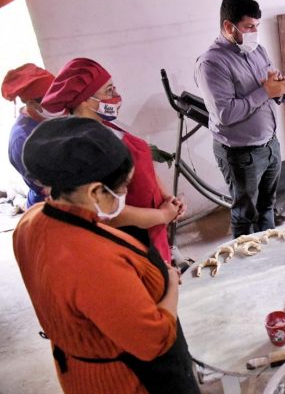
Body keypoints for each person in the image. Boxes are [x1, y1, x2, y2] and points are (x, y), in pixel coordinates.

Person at [14, 116, 202, 394]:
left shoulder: (32, 221)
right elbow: (155, 340)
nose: (125, 194)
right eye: (123, 187)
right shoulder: (88, 263)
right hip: (128, 384)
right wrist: (171, 283)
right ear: (94, 191)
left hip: (78, 368)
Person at [40, 58, 184, 263]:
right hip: (134, 236)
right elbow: (109, 213)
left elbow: (143, 165)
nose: (116, 96)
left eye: (114, 88)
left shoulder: (107, 126)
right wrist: (162, 216)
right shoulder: (83, 147)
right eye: (109, 91)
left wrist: (167, 199)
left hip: (153, 224)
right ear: (85, 100)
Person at [194, 0, 285, 237]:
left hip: (270, 144)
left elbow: (272, 88)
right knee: (245, 213)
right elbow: (225, 114)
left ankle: (268, 249)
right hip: (241, 153)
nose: (255, 32)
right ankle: (247, 256)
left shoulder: (258, 51)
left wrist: (280, 88)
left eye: (257, 26)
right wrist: (266, 91)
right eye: (249, 27)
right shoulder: (212, 64)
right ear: (229, 27)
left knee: (267, 205)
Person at [2, 63, 56, 207]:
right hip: (49, 205)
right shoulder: (22, 139)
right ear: (32, 102)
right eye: (52, 100)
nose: (59, 103)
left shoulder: (53, 118)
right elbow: (50, 186)